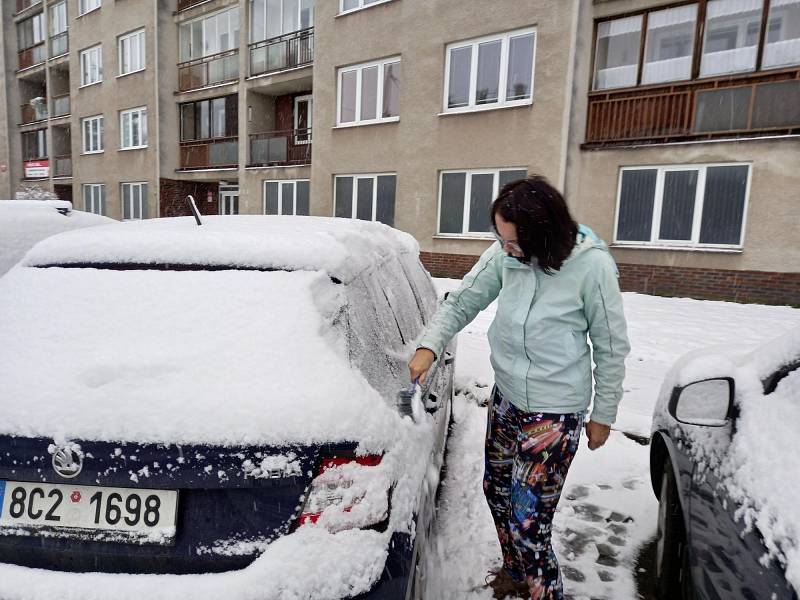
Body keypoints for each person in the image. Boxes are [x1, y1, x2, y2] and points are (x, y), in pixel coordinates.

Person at [408, 175, 630, 599]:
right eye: (501, 239)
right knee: (495, 493)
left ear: (542, 235)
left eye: (512, 242)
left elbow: (611, 345)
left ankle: (543, 589)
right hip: (508, 397)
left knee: (528, 523)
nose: (504, 249)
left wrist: (604, 413)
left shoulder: (592, 266)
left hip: (554, 410)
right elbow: (465, 299)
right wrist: (429, 345)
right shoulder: (506, 255)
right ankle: (516, 574)